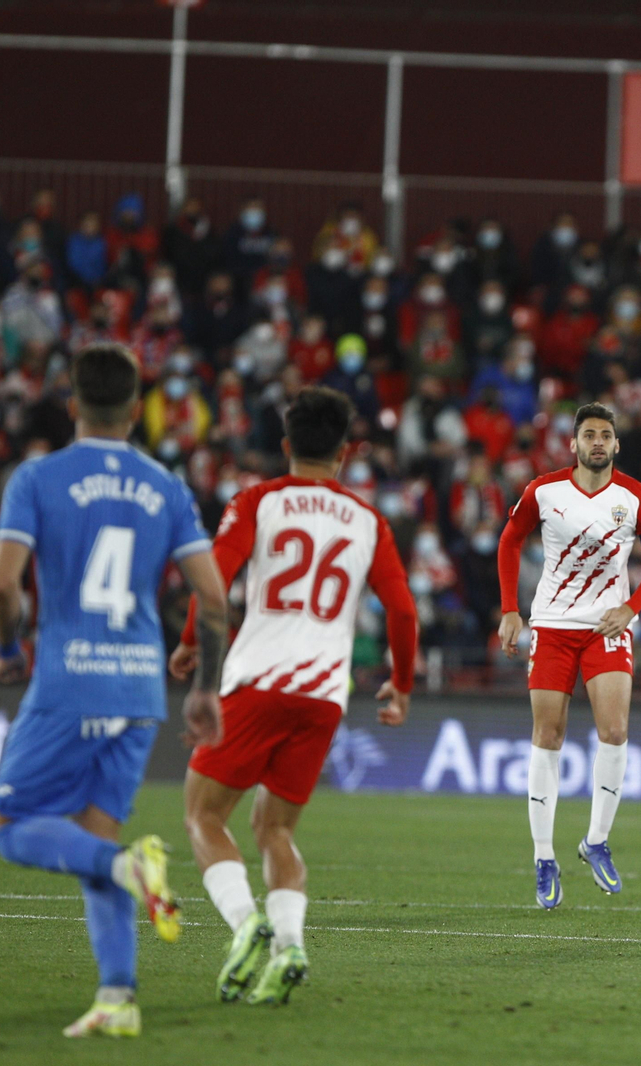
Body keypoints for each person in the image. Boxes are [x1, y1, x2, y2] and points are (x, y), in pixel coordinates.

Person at [0, 343, 231, 1037]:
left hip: (67, 683)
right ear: (135, 411)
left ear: (73, 405)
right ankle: (118, 999)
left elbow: (2, 585)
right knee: (98, 839)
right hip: (137, 691)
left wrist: (7, 649)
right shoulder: (167, 485)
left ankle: (129, 867)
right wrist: (205, 688)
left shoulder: (37, 478)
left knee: (14, 832)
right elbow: (213, 600)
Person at [171, 386, 418, 1005]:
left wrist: (191, 646)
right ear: (346, 452)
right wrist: (402, 683)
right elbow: (404, 611)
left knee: (204, 814)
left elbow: (214, 582)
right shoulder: (369, 520)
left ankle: (244, 923)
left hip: (257, 680)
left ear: (284, 446)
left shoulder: (258, 500)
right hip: (323, 697)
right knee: (274, 828)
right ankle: (289, 946)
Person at [496, 402, 641, 908]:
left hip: (606, 628)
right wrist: (510, 610)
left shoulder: (639, 499)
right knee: (547, 736)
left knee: (614, 732)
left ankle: (595, 841)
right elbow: (510, 541)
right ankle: (543, 857)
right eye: (589, 434)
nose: (597, 442)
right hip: (551, 625)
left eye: (606, 435)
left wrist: (630, 606)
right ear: (572, 444)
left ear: (617, 445)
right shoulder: (544, 491)